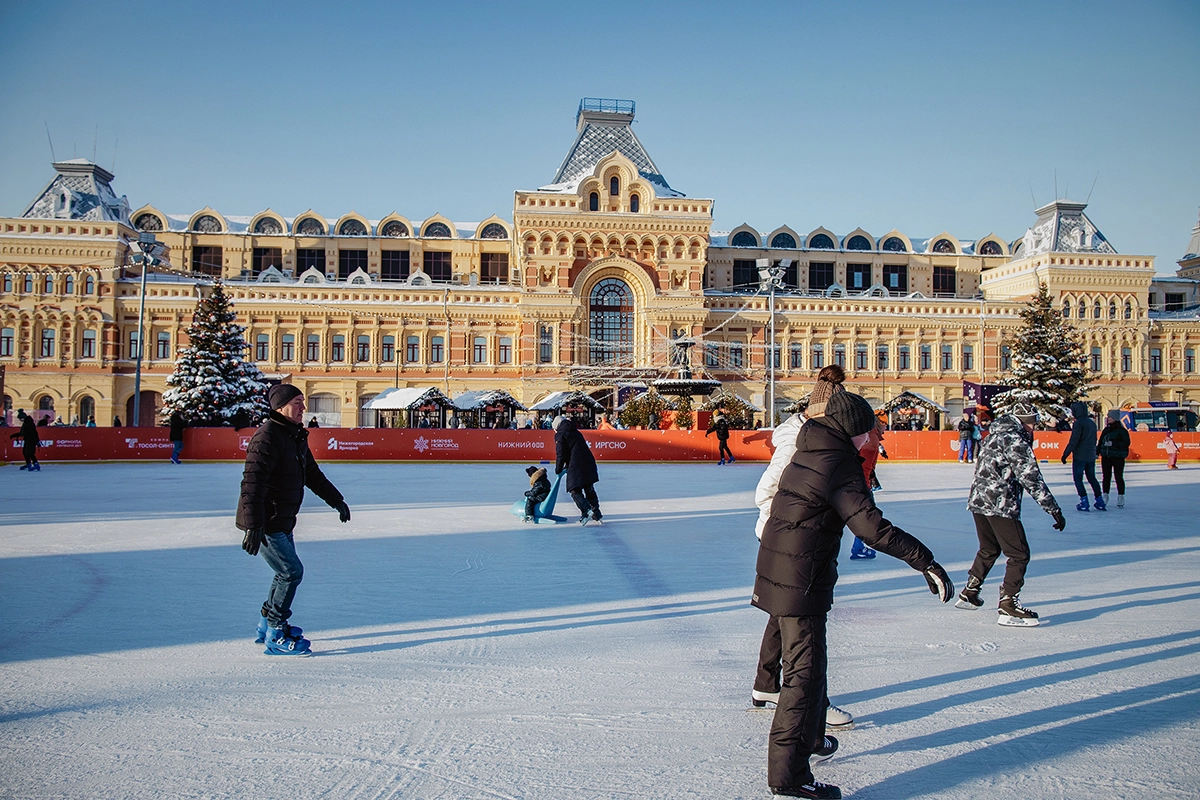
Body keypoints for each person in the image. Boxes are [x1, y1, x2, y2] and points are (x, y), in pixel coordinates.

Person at [753, 390, 953, 799]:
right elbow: (870, 527)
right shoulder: (838, 461)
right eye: (868, 430)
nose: (873, 438)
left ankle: (809, 742)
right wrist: (925, 561)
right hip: (800, 578)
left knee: (812, 667)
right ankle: (789, 779)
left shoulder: (812, 449)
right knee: (804, 680)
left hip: (785, 570)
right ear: (852, 430)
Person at [751, 401, 855, 732]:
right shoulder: (797, 440)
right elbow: (766, 490)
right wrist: (782, 525)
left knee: (783, 615)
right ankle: (813, 706)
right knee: (803, 628)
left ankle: (767, 684)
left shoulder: (813, 439)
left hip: (792, 538)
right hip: (789, 539)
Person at [237, 385, 350, 656]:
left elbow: (311, 473)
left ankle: (266, 624)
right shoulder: (267, 437)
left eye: (303, 401)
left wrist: (336, 499)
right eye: (297, 402)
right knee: (291, 572)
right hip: (267, 521)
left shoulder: (294, 434)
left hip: (284, 518)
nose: (303, 407)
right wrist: (253, 525)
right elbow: (252, 484)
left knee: (283, 572)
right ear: (280, 406)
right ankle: (276, 632)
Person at [956, 403, 1065, 627]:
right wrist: (1052, 508)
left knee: (989, 548)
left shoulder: (993, 435)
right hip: (1000, 504)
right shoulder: (1015, 439)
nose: (1034, 428)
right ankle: (1009, 605)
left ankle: (970, 592)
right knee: (1019, 554)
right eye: (1033, 423)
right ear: (1025, 421)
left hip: (979, 501)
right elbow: (1031, 477)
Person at [553, 415, 601, 525]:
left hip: (576, 464)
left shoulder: (560, 434)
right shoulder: (575, 431)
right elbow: (574, 449)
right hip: (588, 462)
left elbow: (561, 453)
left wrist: (558, 469)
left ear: (556, 427)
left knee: (574, 490)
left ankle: (586, 510)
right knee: (589, 488)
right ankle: (596, 512)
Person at [1062, 401, 1104, 511]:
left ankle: (1084, 501)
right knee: (1092, 478)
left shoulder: (1078, 423)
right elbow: (1094, 439)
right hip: (1090, 456)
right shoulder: (1091, 423)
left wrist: (1065, 454)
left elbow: (1074, 441)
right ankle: (1100, 500)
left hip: (1080, 456)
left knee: (1078, 479)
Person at [1098, 410, 1130, 507]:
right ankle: (1105, 494)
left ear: (1115, 418)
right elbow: (1100, 442)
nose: (1108, 419)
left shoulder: (1122, 431)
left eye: (1110, 417)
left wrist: (1114, 444)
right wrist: (1098, 451)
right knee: (1106, 477)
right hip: (1106, 456)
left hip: (1118, 457)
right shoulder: (1106, 430)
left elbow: (1126, 443)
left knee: (1118, 477)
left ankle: (1121, 496)